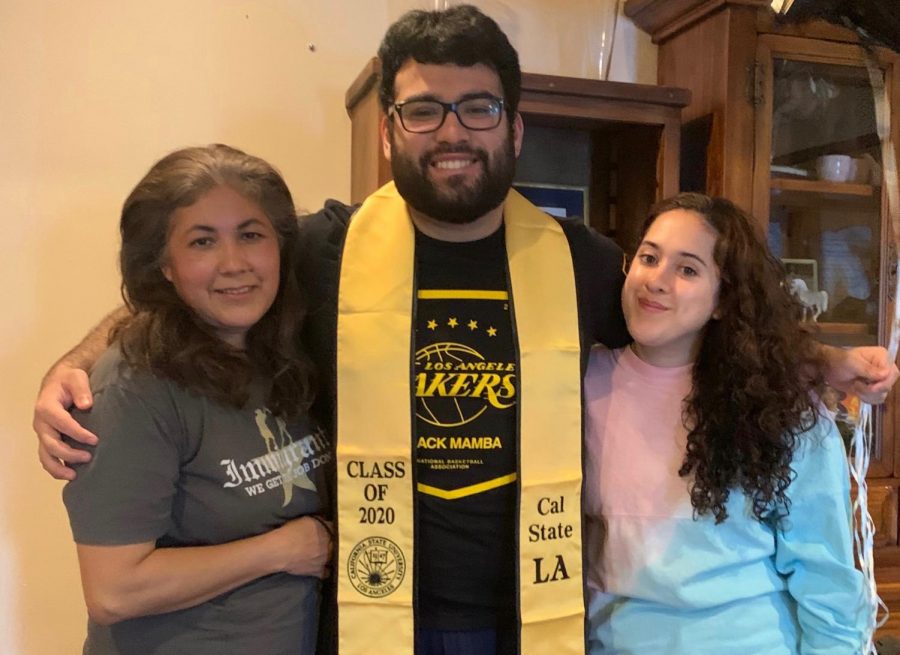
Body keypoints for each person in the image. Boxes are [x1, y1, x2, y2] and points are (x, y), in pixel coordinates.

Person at [32, 6, 895, 655]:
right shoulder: (324, 248)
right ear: (388, 129)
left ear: (514, 128)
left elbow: (698, 323)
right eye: (424, 110)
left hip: (535, 617)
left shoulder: (584, 261)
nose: (452, 132)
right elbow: (200, 283)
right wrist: (76, 359)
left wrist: (819, 361)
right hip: (368, 610)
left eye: (478, 108)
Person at [59, 144, 333, 654]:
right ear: (164, 264)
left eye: (251, 235)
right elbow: (114, 590)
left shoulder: (288, 353)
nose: (234, 264)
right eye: (203, 242)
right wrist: (279, 550)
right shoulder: (134, 387)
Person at [584, 193, 866, 654]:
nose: (656, 280)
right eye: (649, 258)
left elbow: (826, 577)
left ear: (722, 300)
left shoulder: (783, 407)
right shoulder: (580, 385)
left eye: (688, 269)